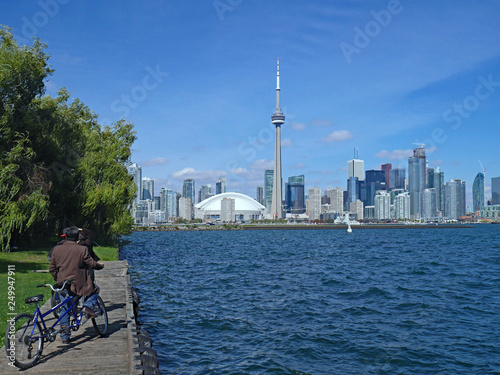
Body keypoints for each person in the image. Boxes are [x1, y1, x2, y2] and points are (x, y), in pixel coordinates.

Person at [49, 226, 104, 344]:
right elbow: (91, 264)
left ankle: (65, 337)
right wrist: (100, 265)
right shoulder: (82, 249)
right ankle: (88, 307)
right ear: (77, 237)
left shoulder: (56, 249)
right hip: (78, 282)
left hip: (63, 283)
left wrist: (57, 278)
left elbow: (52, 268)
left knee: (64, 308)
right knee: (94, 290)